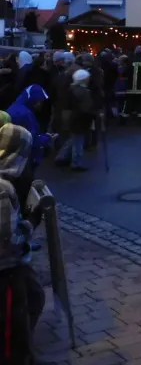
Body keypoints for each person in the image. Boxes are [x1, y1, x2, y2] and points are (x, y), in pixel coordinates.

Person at [0, 124, 46, 362]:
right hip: (6, 272)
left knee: (35, 296)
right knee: (11, 328)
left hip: (11, 270)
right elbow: (9, 243)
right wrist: (31, 220)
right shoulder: (2, 188)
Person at [54, 69, 94, 171]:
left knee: (73, 139)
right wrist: (94, 114)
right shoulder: (82, 91)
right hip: (80, 119)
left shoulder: (72, 89)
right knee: (78, 142)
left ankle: (61, 157)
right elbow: (86, 107)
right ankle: (76, 163)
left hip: (73, 118)